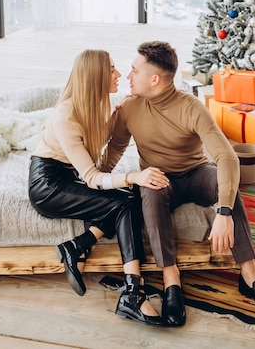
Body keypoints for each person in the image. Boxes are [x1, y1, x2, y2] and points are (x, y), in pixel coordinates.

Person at [111, 41, 255, 326]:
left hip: (194, 172)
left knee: (225, 181)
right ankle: (171, 280)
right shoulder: (129, 107)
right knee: (150, 189)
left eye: (133, 70)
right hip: (159, 178)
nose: (128, 76)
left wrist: (224, 212)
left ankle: (250, 275)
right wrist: (92, 178)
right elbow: (115, 149)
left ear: (154, 80)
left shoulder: (191, 107)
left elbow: (227, 158)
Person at [28, 49, 169, 327]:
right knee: (125, 200)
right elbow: (93, 177)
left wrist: (119, 122)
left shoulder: (98, 104)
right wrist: (132, 176)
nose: (118, 75)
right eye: (113, 70)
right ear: (96, 77)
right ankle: (132, 292)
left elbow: (105, 156)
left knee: (130, 197)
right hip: (48, 186)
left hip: (70, 178)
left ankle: (79, 245)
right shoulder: (65, 116)